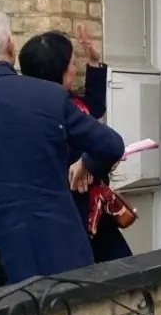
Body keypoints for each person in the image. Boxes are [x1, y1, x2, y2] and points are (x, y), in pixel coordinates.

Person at [0, 5, 124, 295]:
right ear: (10, 43)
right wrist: (87, 165)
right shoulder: (50, 97)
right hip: (64, 257)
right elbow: (111, 145)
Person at [18, 26, 134, 263]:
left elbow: (93, 106)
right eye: (71, 63)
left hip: (93, 214)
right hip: (71, 217)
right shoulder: (50, 114)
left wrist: (94, 62)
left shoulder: (66, 104)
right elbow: (107, 144)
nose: (75, 69)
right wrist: (89, 162)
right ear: (57, 71)